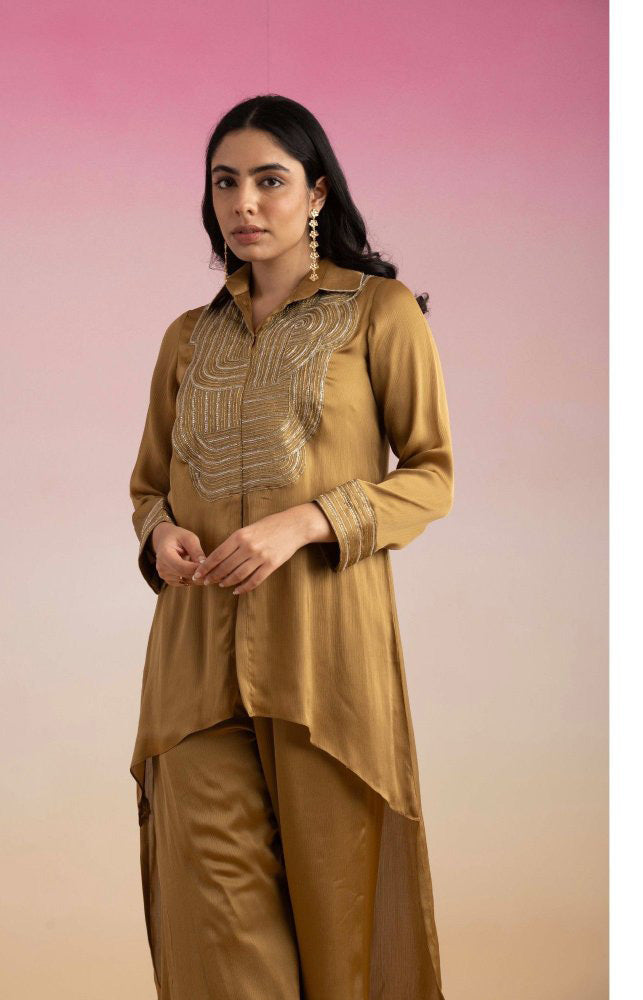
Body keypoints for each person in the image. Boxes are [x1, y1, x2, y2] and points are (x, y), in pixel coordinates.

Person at [128, 94, 455, 1000]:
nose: (244, 202)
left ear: (316, 194)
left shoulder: (379, 312)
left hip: (325, 667)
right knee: (217, 932)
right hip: (194, 668)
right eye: (224, 182)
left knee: (337, 942)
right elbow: (149, 485)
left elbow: (432, 475)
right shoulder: (188, 339)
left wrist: (309, 520)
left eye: (269, 181)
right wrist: (161, 533)